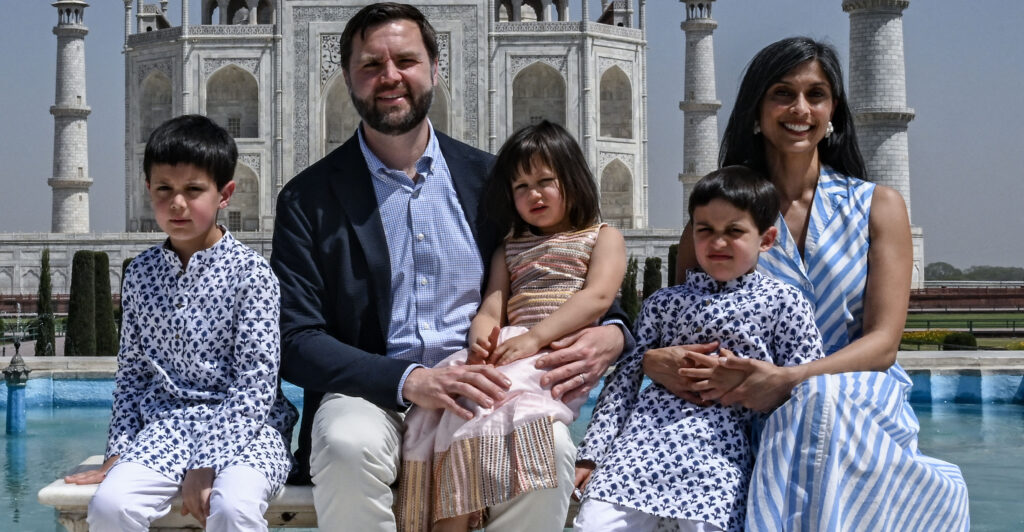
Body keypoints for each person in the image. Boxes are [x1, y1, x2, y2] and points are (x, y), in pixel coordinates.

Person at [269, 4, 629, 531]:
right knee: (347, 445)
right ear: (345, 75)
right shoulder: (309, 198)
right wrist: (409, 379)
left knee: (548, 449)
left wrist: (615, 331)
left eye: (406, 61)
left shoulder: (490, 180)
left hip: (484, 384)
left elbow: (560, 262)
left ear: (436, 68)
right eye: (371, 65)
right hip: (372, 392)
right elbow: (295, 338)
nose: (389, 77)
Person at [644, 37, 970, 530]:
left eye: (815, 95)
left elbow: (882, 344)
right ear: (757, 108)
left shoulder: (877, 206)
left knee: (819, 402)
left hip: (855, 396)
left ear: (833, 109)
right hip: (738, 405)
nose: (800, 108)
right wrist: (654, 358)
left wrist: (792, 380)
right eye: (783, 93)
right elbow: (687, 326)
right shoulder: (716, 219)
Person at [64, 114, 298, 532]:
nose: (177, 204)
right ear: (147, 190)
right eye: (164, 190)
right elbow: (133, 375)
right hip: (167, 426)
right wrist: (117, 452)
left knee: (232, 509)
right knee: (111, 505)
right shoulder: (142, 273)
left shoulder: (252, 274)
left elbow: (255, 384)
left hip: (248, 430)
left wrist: (207, 462)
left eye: (193, 191)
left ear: (224, 193)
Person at [397, 120, 626, 532]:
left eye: (544, 181)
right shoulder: (510, 246)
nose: (533, 194)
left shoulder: (602, 237)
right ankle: (454, 518)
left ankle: (460, 516)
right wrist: (480, 338)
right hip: (512, 350)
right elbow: (493, 304)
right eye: (521, 187)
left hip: (551, 358)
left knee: (480, 410)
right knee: (453, 405)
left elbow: (597, 298)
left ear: (573, 181)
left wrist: (537, 337)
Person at [572, 166, 824, 532]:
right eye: (705, 231)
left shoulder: (783, 302)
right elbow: (623, 384)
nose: (718, 243)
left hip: (721, 455)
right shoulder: (665, 302)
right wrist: (591, 455)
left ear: (766, 239)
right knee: (594, 525)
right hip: (642, 449)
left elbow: (806, 386)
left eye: (734, 232)